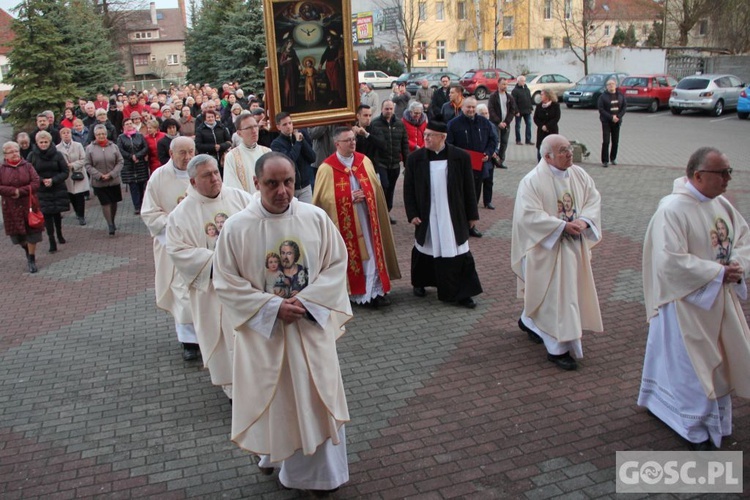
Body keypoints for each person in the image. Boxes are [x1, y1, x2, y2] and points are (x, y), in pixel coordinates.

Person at [212, 152, 352, 495]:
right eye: (272, 183)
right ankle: (278, 458)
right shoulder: (237, 227)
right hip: (268, 336)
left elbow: (337, 264)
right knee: (278, 399)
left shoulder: (315, 218)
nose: (282, 191)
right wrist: (272, 307)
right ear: (257, 183)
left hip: (309, 326)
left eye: (288, 182)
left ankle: (324, 476)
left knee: (317, 397)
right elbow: (226, 282)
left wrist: (306, 301)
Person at [639, 147, 750, 451]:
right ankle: (694, 427)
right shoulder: (672, 210)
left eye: (730, 172)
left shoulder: (721, 205)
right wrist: (717, 273)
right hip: (686, 303)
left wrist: (737, 265)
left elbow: (743, 239)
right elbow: (668, 262)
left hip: (719, 299)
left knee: (720, 360)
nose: (728, 178)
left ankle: (714, 421)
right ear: (698, 176)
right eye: (722, 173)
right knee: (693, 366)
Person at [511, 134, 603, 371]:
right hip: (546, 250)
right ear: (547, 156)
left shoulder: (579, 174)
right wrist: (561, 226)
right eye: (563, 150)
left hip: (574, 247)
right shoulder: (532, 181)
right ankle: (557, 348)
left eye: (569, 148)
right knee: (555, 297)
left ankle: (528, 320)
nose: (569, 153)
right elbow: (528, 215)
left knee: (566, 294)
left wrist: (584, 221)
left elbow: (593, 198)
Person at [166, 154, 253, 400]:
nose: (215, 178)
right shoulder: (181, 215)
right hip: (214, 292)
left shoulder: (240, 198)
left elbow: (260, 227)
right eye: (207, 175)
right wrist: (222, 262)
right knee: (227, 339)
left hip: (248, 285)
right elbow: (177, 251)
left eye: (216, 172)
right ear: (193, 182)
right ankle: (235, 392)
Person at [313, 127, 401, 307]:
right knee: (355, 256)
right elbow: (323, 199)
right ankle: (356, 293)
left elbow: (375, 189)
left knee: (372, 252)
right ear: (337, 144)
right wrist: (349, 197)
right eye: (348, 140)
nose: (353, 142)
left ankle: (375, 291)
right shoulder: (327, 168)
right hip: (344, 224)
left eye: (354, 139)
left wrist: (367, 194)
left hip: (367, 219)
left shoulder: (364, 161)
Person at [403, 121, 483, 309]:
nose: (426, 138)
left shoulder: (460, 157)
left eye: (430, 135)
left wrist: (472, 215)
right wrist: (412, 213)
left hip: (452, 213)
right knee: (425, 248)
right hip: (427, 213)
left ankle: (463, 293)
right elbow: (408, 190)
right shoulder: (415, 159)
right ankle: (420, 283)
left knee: (458, 250)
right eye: (425, 135)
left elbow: (469, 188)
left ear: (443, 137)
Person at [141, 137, 199, 361]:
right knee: (181, 292)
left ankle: (204, 334)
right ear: (171, 154)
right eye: (182, 153)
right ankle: (188, 342)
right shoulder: (159, 177)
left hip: (198, 242)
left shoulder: (201, 171)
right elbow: (149, 212)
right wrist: (174, 227)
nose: (187, 158)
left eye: (191, 152)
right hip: (172, 245)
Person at [446, 97, 497, 237]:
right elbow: (448, 144)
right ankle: (459, 225)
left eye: (473, 107)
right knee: (460, 198)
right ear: (462, 107)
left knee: (473, 198)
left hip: (478, 168)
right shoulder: (453, 124)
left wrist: (488, 153)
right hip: (460, 169)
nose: (471, 110)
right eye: (468, 107)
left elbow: (493, 140)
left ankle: (471, 225)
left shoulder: (484, 122)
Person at [0, 141, 42, 273]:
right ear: (5, 155)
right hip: (10, 207)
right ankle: (26, 249)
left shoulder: (27, 166)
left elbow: (36, 182)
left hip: (28, 204)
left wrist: (21, 191)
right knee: (17, 236)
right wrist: (13, 192)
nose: (14, 154)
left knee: (32, 233)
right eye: (11, 152)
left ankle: (31, 258)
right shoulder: (1, 169)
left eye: (16, 151)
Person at [28, 131, 69, 253]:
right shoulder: (32, 156)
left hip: (57, 187)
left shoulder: (58, 154)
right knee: (47, 214)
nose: (44, 144)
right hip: (41, 190)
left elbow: (65, 171)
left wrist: (53, 180)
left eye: (46, 142)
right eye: (41, 142)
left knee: (57, 213)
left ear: (50, 142)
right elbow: (29, 173)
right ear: (37, 143)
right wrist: (41, 181)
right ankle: (51, 239)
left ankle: (60, 233)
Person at [371, 100, 409, 224]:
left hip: (395, 163)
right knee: (384, 186)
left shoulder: (399, 124)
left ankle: (387, 212)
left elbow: (404, 143)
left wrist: (406, 162)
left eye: (391, 109)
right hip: (381, 162)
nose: (389, 111)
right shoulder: (375, 124)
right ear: (382, 109)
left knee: (391, 189)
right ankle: (380, 213)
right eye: (386, 109)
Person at [85, 124, 124, 235]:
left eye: (103, 134)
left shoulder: (113, 146)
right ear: (95, 135)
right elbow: (87, 164)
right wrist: (99, 175)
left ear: (106, 134)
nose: (101, 136)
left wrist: (112, 174)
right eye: (98, 134)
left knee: (114, 202)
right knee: (105, 203)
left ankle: (113, 219)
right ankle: (110, 224)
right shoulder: (90, 148)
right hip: (99, 182)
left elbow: (120, 161)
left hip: (113, 180)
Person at [270, 112, 315, 203]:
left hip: (305, 186)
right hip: (289, 187)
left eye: (290, 123)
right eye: (285, 124)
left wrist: (302, 141)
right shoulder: (276, 143)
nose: (288, 126)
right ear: (279, 127)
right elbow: (289, 160)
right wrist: (298, 143)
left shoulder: (298, 138)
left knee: (307, 214)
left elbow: (312, 158)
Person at [224, 113, 271, 193]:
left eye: (255, 126)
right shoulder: (232, 156)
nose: (254, 131)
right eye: (249, 128)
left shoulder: (267, 153)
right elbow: (232, 188)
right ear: (239, 133)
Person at [117, 117, 149, 215]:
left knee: (141, 186)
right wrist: (131, 157)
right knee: (133, 187)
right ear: (123, 127)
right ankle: (137, 206)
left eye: (130, 123)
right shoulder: (121, 138)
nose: (129, 125)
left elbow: (145, 147)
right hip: (128, 166)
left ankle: (143, 204)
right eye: (127, 124)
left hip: (140, 164)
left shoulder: (139, 136)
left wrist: (138, 156)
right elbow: (120, 150)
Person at [58, 127, 89, 226]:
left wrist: (73, 165)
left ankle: (81, 216)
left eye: (68, 132)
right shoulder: (57, 148)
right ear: (61, 135)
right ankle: (76, 211)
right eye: (64, 133)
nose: (66, 134)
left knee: (80, 195)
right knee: (72, 195)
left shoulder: (78, 145)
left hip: (79, 172)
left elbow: (84, 159)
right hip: (67, 176)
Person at [475, 104, 500, 211]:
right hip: (478, 157)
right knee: (477, 182)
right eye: (482, 113)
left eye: (486, 113)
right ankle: (474, 202)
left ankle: (488, 201)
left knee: (489, 181)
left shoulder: (491, 125)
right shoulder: (475, 125)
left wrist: (494, 151)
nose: (485, 115)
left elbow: (495, 140)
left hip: (489, 157)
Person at [487, 77, 516, 170]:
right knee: (496, 142)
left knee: (504, 142)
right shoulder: (493, 96)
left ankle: (500, 161)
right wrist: (498, 122)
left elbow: (512, 110)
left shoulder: (509, 97)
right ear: (498, 84)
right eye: (503, 84)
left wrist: (506, 122)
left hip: (506, 124)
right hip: (495, 123)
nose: (505, 86)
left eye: (506, 84)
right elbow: (491, 110)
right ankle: (494, 160)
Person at [598, 78, 626, 168]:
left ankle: (613, 158)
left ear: (615, 85)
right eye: (609, 84)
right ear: (606, 87)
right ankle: (605, 160)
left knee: (615, 141)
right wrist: (611, 117)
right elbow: (601, 109)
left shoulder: (620, 95)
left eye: (612, 84)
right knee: (606, 141)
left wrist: (618, 117)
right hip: (606, 122)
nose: (611, 86)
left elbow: (624, 107)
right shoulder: (603, 97)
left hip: (617, 122)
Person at [195, 109, 232, 177]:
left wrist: (221, 146)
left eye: (212, 117)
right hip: (209, 157)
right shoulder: (200, 129)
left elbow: (229, 142)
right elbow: (198, 145)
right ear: (205, 118)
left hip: (222, 158)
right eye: (208, 117)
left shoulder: (221, 126)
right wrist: (213, 147)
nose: (211, 119)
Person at [533, 90, 561, 161]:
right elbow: (535, 118)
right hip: (541, 131)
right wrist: (541, 126)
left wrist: (547, 126)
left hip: (552, 131)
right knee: (540, 148)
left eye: (542, 94)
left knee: (551, 149)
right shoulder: (539, 106)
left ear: (548, 96)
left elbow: (556, 118)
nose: (540, 96)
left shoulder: (555, 105)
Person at [278, 38, 301, 108]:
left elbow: (296, 59)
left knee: (293, 86)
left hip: (293, 71)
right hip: (287, 72)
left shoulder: (293, 51)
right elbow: (281, 63)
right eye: (289, 43)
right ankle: (286, 103)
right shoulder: (284, 53)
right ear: (287, 44)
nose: (290, 45)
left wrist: (299, 65)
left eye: (291, 44)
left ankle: (292, 103)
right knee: (287, 87)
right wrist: (287, 60)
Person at [511, 75, 534, 146]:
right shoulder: (515, 91)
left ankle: (528, 140)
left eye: (524, 81)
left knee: (529, 125)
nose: (524, 82)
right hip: (519, 112)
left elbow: (529, 99)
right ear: (518, 81)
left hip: (527, 111)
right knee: (518, 126)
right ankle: (518, 140)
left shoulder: (527, 89)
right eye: (522, 81)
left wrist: (531, 108)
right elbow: (513, 102)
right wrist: (516, 111)